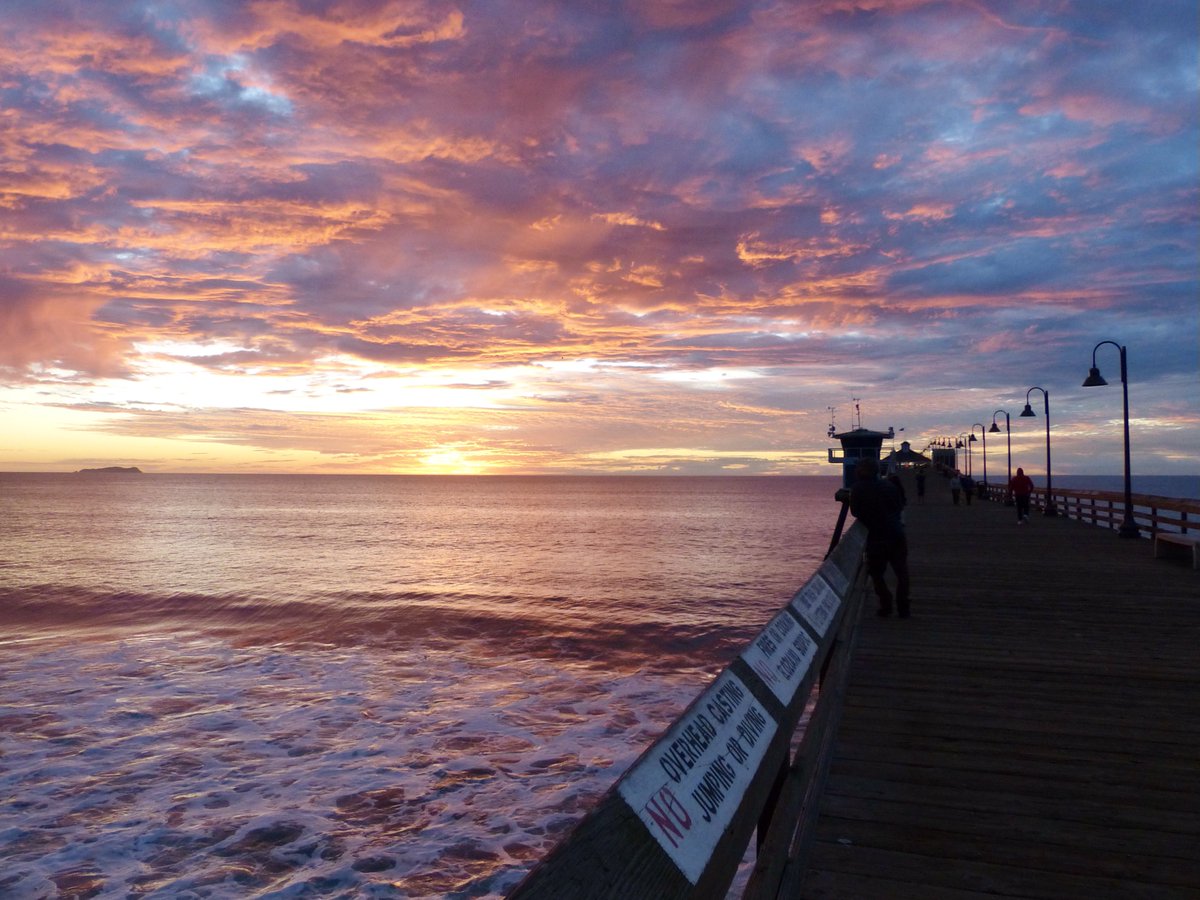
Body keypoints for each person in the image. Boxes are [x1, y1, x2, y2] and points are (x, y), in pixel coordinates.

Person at [849, 457, 911, 618]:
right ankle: (903, 608)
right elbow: (899, 506)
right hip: (896, 534)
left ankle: (886, 604)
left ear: (863, 471)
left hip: (876, 537)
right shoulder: (889, 485)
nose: (856, 471)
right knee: (901, 573)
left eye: (859, 468)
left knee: (876, 574)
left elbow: (855, 512)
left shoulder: (857, 488)